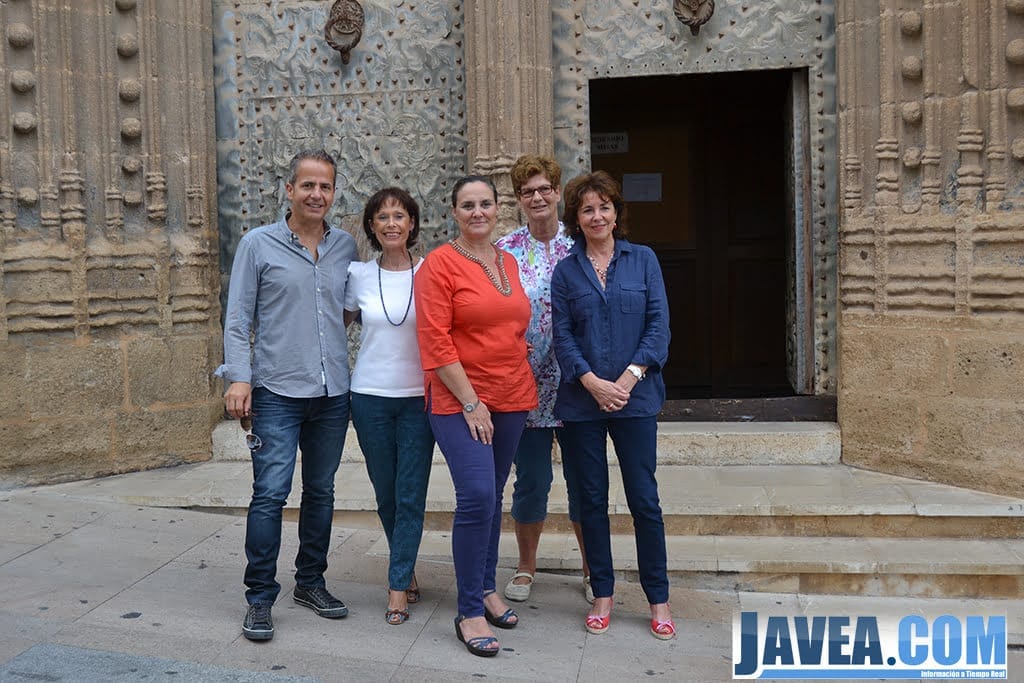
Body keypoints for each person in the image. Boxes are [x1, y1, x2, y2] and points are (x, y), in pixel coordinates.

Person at [216, 149, 357, 642]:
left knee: (321, 491)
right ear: (289, 189)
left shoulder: (345, 246)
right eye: (308, 185)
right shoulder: (258, 244)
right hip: (276, 390)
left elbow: (346, 310)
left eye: (325, 186)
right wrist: (239, 379)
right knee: (270, 494)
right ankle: (259, 597)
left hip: (332, 391)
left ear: (334, 192)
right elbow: (238, 318)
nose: (317, 194)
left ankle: (310, 583)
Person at [414, 175, 538, 657]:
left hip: (512, 394)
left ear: (497, 208)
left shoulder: (508, 261)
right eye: (468, 205)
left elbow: (514, 325)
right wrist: (470, 401)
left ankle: (486, 587)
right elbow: (435, 339)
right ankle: (468, 610)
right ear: (454, 212)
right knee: (477, 495)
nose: (478, 212)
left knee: (495, 493)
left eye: (485, 203)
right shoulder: (439, 264)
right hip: (459, 399)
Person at [550, 170, 675, 641]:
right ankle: (602, 592)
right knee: (591, 499)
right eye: (587, 209)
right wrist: (592, 382)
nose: (597, 216)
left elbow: (659, 325)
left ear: (616, 213)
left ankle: (658, 597)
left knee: (644, 500)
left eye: (604, 207)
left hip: (636, 399)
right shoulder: (566, 271)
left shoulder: (643, 260)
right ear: (575, 219)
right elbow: (562, 335)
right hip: (582, 402)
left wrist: (627, 378)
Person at [495, 155, 592, 605]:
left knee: (584, 480)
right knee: (531, 481)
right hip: (525, 387)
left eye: (543, 189)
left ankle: (594, 569)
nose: (537, 197)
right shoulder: (505, 251)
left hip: (578, 385)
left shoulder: (581, 245)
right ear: (519, 199)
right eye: (527, 191)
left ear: (557, 192)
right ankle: (526, 566)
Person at [344, 187, 433, 625]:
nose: (392, 223)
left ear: (412, 223)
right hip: (369, 397)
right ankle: (406, 566)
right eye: (383, 217)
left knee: (411, 493)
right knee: (386, 494)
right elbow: (333, 327)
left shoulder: (431, 271)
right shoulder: (358, 275)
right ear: (372, 227)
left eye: (400, 215)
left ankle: (397, 588)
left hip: (419, 399)